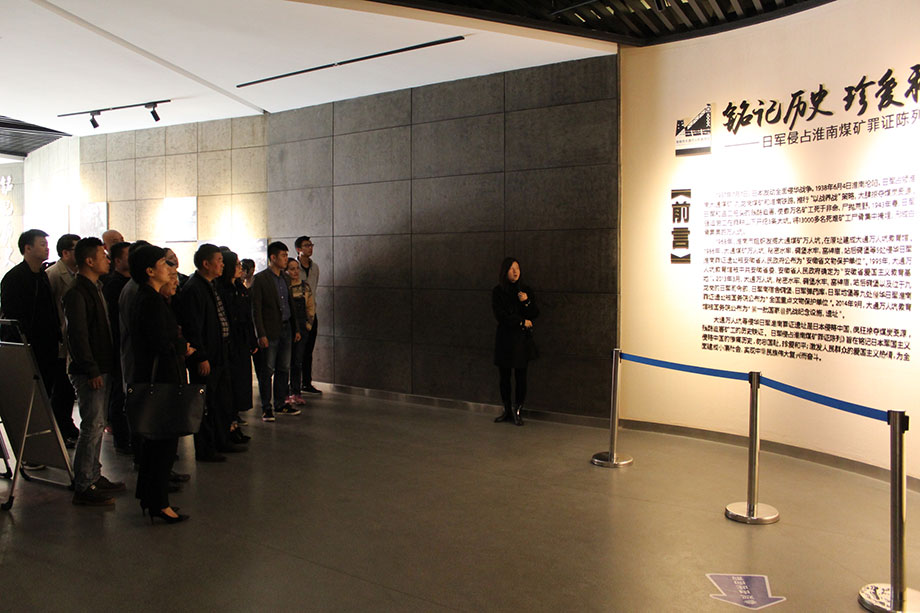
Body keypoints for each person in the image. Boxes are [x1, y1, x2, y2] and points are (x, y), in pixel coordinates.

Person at [130, 244, 191, 524]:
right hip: (161, 381)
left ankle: (151, 499)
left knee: (157, 444)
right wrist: (182, 346)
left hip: (159, 378)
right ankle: (159, 503)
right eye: (164, 264)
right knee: (162, 444)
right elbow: (159, 342)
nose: (170, 268)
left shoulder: (151, 298)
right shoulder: (149, 301)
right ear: (150, 271)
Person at [63, 237, 125, 505]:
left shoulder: (95, 287)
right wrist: (91, 369)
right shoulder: (77, 292)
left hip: (101, 365)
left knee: (97, 424)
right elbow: (77, 335)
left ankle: (94, 474)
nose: (107, 260)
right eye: (103, 256)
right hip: (90, 369)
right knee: (92, 425)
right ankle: (84, 484)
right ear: (89, 261)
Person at [175, 243, 243, 461]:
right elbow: (193, 327)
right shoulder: (194, 288)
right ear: (206, 263)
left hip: (220, 352)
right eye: (219, 261)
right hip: (207, 356)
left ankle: (221, 441)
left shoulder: (211, 285)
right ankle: (205, 449)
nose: (223, 265)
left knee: (221, 402)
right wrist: (201, 357)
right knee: (205, 404)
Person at [0, 230, 61, 422]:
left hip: (48, 346)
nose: (47, 248)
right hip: (28, 346)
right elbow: (12, 314)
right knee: (28, 396)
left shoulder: (42, 275)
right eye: (42, 244)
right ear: (27, 248)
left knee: (46, 392)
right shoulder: (14, 278)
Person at [252, 241, 301, 421]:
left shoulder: (285, 278)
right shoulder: (261, 279)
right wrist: (261, 333)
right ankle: (267, 407)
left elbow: (290, 304)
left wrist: (296, 328)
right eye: (283, 255)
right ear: (273, 257)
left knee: (284, 368)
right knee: (267, 370)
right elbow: (256, 309)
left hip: (286, 327)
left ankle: (281, 403)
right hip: (270, 330)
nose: (286, 259)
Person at [492, 257, 539, 426]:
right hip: (505, 339)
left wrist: (526, 302)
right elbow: (501, 316)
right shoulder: (498, 291)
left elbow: (534, 313)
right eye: (512, 269)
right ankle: (507, 410)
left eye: (517, 268)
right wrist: (521, 322)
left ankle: (518, 410)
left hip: (521, 341)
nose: (515, 272)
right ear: (505, 271)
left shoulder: (525, 290)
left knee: (521, 376)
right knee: (504, 377)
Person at [46, 233, 81, 446]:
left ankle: (67, 425)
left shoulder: (78, 273)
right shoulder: (53, 274)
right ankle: (61, 428)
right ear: (66, 252)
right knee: (61, 388)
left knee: (68, 389)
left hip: (71, 340)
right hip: (60, 339)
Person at [216, 249, 255, 441]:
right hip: (229, 343)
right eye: (237, 264)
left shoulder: (240, 288)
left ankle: (235, 422)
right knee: (229, 386)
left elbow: (247, 316)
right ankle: (229, 426)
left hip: (242, 342)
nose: (240, 268)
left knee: (240, 383)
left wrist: (252, 339)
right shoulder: (221, 290)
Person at [102, 241, 133, 454]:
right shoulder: (113, 285)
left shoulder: (131, 282)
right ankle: (122, 439)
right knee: (119, 394)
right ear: (117, 260)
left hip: (128, 346)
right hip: (119, 345)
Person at [285, 258, 315, 407]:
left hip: (302, 328)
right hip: (287, 328)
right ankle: (284, 393)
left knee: (297, 360)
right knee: (285, 362)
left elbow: (311, 307)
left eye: (297, 268)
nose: (295, 272)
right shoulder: (284, 287)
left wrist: (308, 325)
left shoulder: (304, 287)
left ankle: (296, 392)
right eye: (292, 269)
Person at [294, 236, 321, 395]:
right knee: (297, 351)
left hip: (311, 312)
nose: (310, 248)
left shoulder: (315, 267)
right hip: (297, 314)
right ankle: (294, 384)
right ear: (299, 249)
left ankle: (306, 382)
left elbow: (314, 288)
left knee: (308, 349)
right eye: (306, 245)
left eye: (311, 245)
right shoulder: (293, 267)